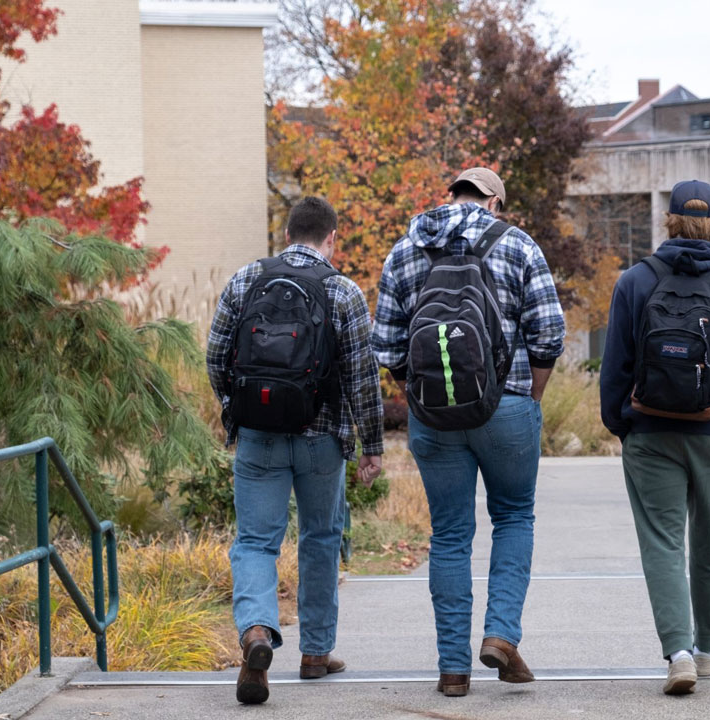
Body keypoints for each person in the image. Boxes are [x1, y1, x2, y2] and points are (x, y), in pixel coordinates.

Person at [373, 167, 565, 697]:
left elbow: (386, 346)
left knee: (450, 536)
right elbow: (549, 332)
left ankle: (453, 669)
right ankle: (500, 636)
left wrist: (423, 393)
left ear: (450, 196)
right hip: (507, 407)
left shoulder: (405, 251)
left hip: (433, 417)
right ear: (495, 201)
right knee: (513, 517)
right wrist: (529, 399)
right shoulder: (519, 245)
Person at [206, 196, 384, 705]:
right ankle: (315, 653)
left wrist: (236, 408)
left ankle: (257, 633)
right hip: (321, 437)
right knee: (322, 538)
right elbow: (362, 378)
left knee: (256, 543)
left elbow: (217, 355)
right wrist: (371, 445)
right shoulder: (343, 291)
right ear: (332, 239)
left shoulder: (246, 279)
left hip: (258, 436)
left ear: (286, 234)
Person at [599, 180, 710, 696]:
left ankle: (677, 652)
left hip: (649, 433)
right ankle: (707, 649)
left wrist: (622, 423)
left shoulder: (634, 282)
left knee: (662, 544)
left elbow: (615, 367)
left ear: (669, 220)